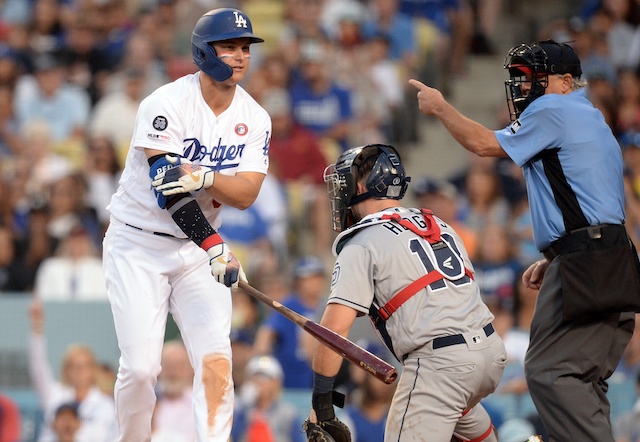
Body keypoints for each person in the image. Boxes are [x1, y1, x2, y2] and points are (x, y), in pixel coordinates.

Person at [410, 38, 640, 441]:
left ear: (567, 81)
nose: (522, 88)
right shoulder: (591, 118)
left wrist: (441, 107)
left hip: (588, 261)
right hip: (610, 256)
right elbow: (595, 203)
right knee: (581, 378)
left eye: (533, 78)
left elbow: (482, 144)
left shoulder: (556, 107)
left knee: (550, 371)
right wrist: (556, 255)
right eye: (518, 79)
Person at [102, 8, 270, 442]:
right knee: (141, 369)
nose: (239, 56)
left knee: (217, 361)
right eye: (229, 47)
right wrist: (215, 244)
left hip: (197, 250)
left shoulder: (254, 118)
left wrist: (210, 176)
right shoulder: (165, 103)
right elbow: (168, 190)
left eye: (245, 48)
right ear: (203, 51)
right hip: (138, 243)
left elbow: (247, 193)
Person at [304, 144, 506, 442]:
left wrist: (322, 403)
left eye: (344, 180)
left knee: (443, 394)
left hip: (440, 366)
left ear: (360, 186)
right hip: (489, 354)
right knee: (458, 409)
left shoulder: (360, 243)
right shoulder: (439, 224)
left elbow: (334, 331)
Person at [28, 299, 117, 442]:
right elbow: (38, 368)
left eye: (84, 366)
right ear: (66, 370)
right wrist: (37, 327)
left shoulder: (106, 406)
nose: (79, 371)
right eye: (74, 366)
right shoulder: (54, 395)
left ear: (93, 369)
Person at [253, 255, 328, 389]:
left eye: (317, 277)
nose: (314, 283)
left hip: (319, 373)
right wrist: (262, 360)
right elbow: (266, 333)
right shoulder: (289, 305)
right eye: (308, 279)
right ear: (298, 282)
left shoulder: (327, 307)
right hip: (289, 375)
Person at [232, 355, 305, 442]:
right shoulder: (240, 410)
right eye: (254, 376)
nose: (258, 381)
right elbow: (233, 437)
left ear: (276, 382)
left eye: (264, 377)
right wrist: (244, 405)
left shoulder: (288, 413)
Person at [151, 340, 196, 442]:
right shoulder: (147, 402)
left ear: (190, 369)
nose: (173, 371)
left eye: (179, 365)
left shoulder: (201, 403)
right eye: (168, 365)